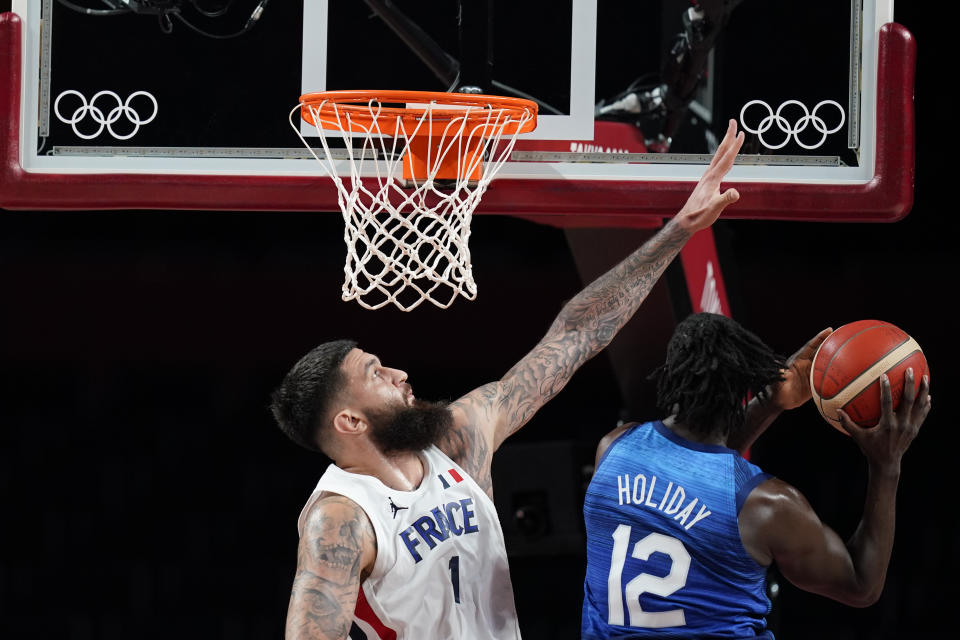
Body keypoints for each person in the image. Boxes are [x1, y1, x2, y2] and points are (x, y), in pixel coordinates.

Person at [268, 120, 745, 640]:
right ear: (350, 420)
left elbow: (575, 335)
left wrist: (679, 228)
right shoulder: (340, 518)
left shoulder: (458, 437)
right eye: (376, 374)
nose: (400, 373)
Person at [580, 312, 931, 639]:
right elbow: (860, 585)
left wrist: (770, 401)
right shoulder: (766, 506)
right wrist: (886, 465)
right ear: (744, 387)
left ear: (670, 373)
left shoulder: (614, 448)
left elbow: (693, 472)